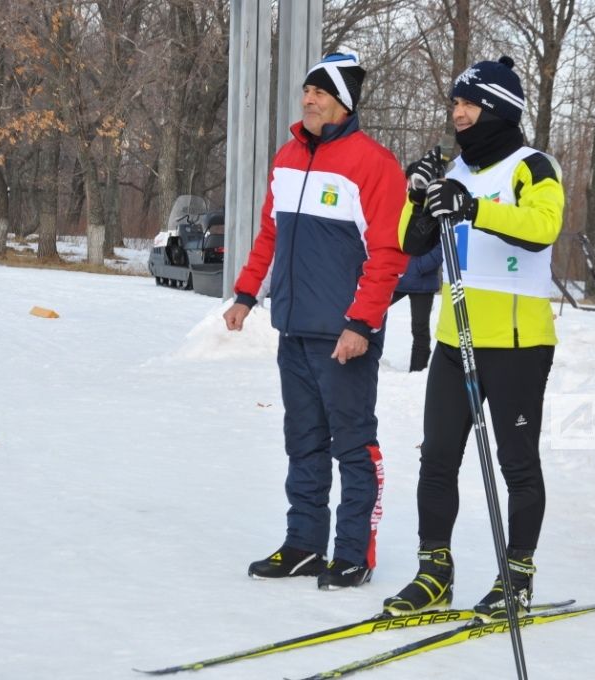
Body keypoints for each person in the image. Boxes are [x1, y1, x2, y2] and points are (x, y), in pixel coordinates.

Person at [382, 56, 565, 619]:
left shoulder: (532, 165)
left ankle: (517, 577)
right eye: (455, 104)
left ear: (497, 108)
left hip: (517, 342)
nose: (458, 113)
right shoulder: (452, 171)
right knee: (436, 458)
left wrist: (476, 208)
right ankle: (434, 571)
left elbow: (542, 229)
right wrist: (418, 194)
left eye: (469, 103)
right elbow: (412, 244)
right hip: (453, 339)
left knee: (517, 465)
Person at [223, 53, 408, 590]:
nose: (307, 99)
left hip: (345, 335)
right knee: (302, 440)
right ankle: (304, 544)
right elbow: (270, 235)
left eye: (319, 93)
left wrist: (361, 323)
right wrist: (245, 293)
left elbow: (388, 254)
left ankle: (352, 553)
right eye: (306, 91)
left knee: (351, 443)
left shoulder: (374, 164)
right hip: (294, 328)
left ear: (343, 101)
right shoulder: (286, 158)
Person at [390, 242, 442, 372]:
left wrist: (417, 267)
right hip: (397, 276)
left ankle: (417, 371)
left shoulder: (436, 221)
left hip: (423, 281)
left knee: (420, 329)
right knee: (372, 315)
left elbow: (441, 247)